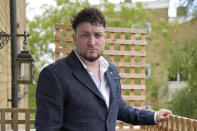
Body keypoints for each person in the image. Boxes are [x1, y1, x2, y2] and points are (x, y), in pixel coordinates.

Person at [35, 7, 172, 131]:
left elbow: (118, 108)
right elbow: (48, 127)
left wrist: (154, 116)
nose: (92, 42)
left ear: (104, 38)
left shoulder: (111, 70)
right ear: (74, 38)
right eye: (85, 35)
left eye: (98, 35)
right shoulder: (53, 75)